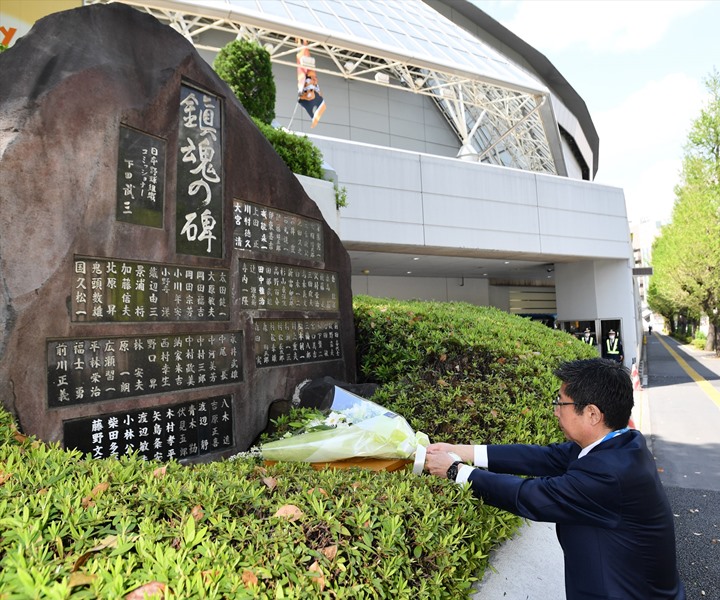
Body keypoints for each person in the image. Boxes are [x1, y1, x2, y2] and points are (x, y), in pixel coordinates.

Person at [424, 358, 685, 600]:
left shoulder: (610, 473)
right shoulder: (619, 444)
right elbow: (542, 458)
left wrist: (454, 471)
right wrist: (463, 451)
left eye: (561, 402)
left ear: (592, 414)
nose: (555, 411)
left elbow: (532, 497)